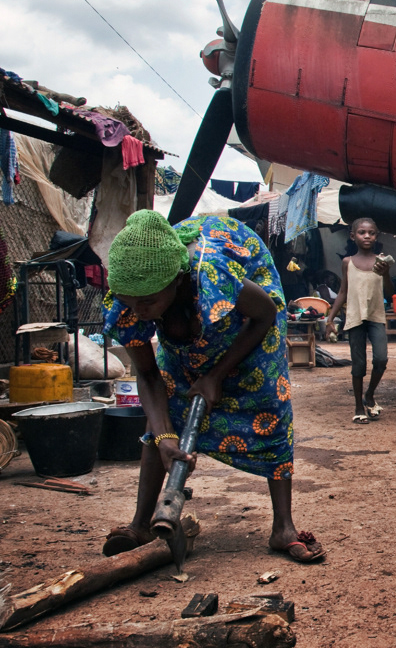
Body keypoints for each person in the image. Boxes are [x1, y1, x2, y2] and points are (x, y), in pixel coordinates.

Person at [101, 210, 323, 563]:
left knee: (269, 405)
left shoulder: (212, 273)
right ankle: (140, 525)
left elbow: (263, 315)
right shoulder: (129, 298)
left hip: (251, 317)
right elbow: (147, 376)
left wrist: (215, 376)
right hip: (193, 333)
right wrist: (163, 437)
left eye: (147, 302)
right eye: (131, 302)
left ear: (177, 279)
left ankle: (283, 528)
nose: (139, 311)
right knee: (166, 414)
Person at [326, 218, 392, 424]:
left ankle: (369, 394)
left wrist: (387, 274)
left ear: (376, 236)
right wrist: (330, 318)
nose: (367, 236)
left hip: (375, 317)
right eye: (362, 232)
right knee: (359, 364)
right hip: (355, 318)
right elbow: (343, 292)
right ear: (353, 236)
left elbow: (389, 293)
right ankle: (358, 405)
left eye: (371, 233)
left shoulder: (381, 262)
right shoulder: (348, 262)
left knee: (381, 359)